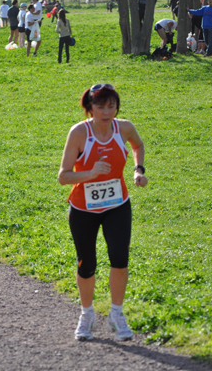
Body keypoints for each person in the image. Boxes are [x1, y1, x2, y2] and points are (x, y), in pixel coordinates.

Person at [58, 83, 147, 342]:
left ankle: (116, 315)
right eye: (100, 106)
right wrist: (90, 174)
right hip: (83, 208)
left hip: (117, 204)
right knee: (87, 263)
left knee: (119, 257)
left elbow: (138, 146)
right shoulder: (79, 133)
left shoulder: (124, 127)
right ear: (89, 108)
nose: (106, 112)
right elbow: (63, 176)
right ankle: (87, 315)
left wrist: (138, 170)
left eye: (111, 106)